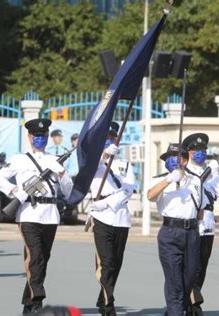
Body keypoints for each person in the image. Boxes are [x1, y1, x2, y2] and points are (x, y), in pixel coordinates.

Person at [0, 118, 73, 314]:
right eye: (37, 136)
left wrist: (61, 173)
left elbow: (69, 191)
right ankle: (38, 299)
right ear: (29, 137)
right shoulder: (20, 159)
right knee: (36, 255)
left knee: (42, 259)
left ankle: (28, 303)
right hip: (28, 213)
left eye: (44, 136)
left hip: (50, 215)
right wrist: (14, 190)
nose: (41, 139)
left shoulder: (54, 160)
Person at [147, 139, 203, 316]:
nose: (173, 160)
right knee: (174, 281)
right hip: (170, 232)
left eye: (177, 156)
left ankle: (173, 310)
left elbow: (200, 210)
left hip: (192, 232)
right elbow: (150, 195)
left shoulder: (196, 181)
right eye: (169, 157)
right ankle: (175, 312)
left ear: (185, 160)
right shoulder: (159, 180)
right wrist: (169, 180)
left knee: (190, 278)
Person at [86, 125, 135, 316]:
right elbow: (87, 172)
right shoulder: (94, 162)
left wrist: (107, 202)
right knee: (106, 262)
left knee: (116, 262)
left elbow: (129, 189)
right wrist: (104, 156)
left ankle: (103, 295)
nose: (109, 141)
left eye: (112, 138)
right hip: (100, 217)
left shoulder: (125, 165)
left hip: (120, 216)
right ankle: (109, 304)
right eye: (105, 138)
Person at [184, 140, 219, 315]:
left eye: (203, 150)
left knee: (202, 266)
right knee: (190, 266)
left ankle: (192, 301)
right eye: (197, 150)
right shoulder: (187, 172)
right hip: (192, 223)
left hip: (208, 225)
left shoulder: (211, 174)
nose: (201, 153)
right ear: (189, 152)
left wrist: (216, 175)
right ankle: (192, 303)